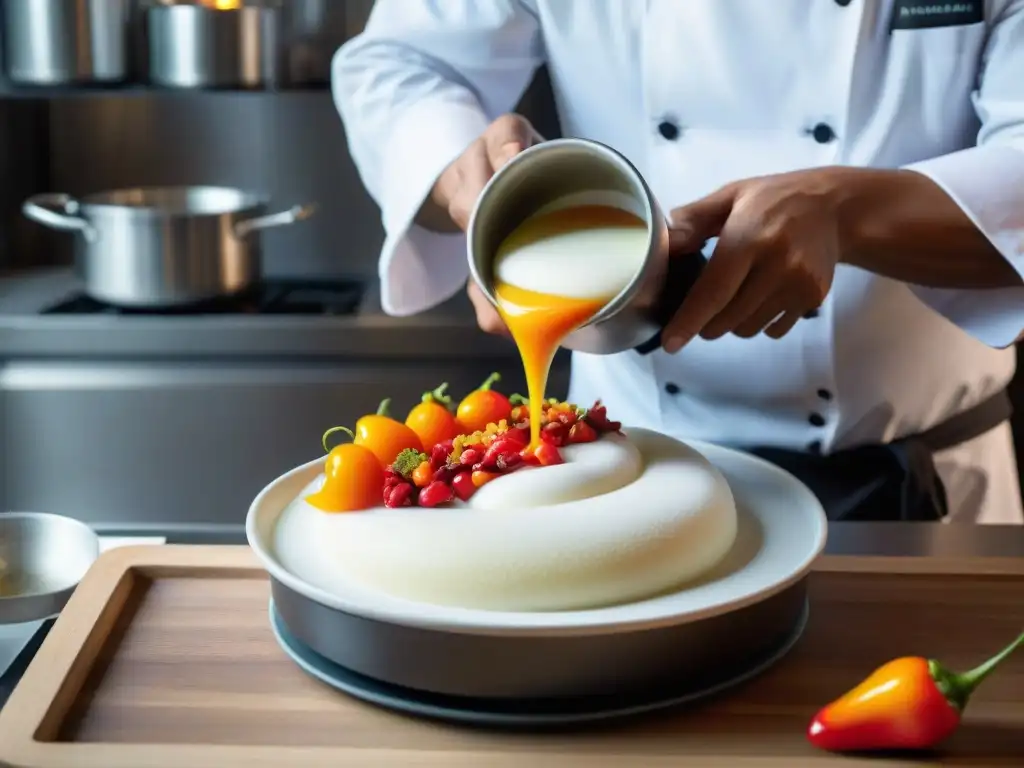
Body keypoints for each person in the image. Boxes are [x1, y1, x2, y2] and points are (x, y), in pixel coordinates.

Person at [332, 1, 1024, 524]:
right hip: (622, 473)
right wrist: (466, 182)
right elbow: (399, 63)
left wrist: (849, 211)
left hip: (931, 494)